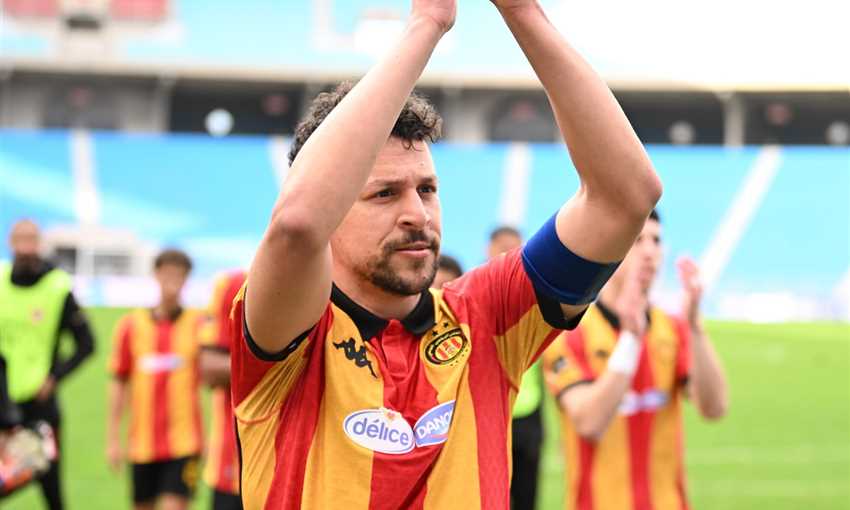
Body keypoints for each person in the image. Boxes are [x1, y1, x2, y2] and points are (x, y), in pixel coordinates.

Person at [232, 0, 662, 508]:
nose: (418, 214)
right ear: (334, 207)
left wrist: (522, 11)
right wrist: (427, 25)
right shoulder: (291, 335)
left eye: (427, 189)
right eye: (384, 194)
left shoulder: (487, 316)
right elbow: (298, 223)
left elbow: (625, 199)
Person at [541, 210, 728, 510]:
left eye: (656, 240)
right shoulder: (572, 336)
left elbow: (714, 407)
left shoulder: (673, 328)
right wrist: (630, 339)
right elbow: (589, 422)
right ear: (610, 249)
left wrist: (695, 326)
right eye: (638, 240)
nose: (650, 252)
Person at [0, 219, 95, 510]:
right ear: (10, 243)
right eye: (21, 240)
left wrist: (55, 377)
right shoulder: (1, 283)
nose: (26, 248)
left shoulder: (57, 287)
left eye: (31, 240)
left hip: (39, 410)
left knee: (50, 487)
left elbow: (87, 344)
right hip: (2, 405)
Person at [106, 249, 204, 510]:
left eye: (179, 275)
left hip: (184, 442)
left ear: (186, 279)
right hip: (142, 444)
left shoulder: (198, 325)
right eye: (168, 274)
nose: (172, 281)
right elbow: (119, 381)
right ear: (157, 275)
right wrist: (113, 438)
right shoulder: (131, 326)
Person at [485, 226, 545, 510]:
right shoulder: (475, 299)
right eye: (503, 248)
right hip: (493, 415)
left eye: (516, 248)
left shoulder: (535, 300)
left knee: (526, 496)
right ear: (489, 250)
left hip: (529, 413)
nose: (509, 255)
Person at [199, 271, 246, 510]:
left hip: (306, 475)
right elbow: (209, 370)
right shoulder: (233, 285)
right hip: (234, 466)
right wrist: (276, 366)